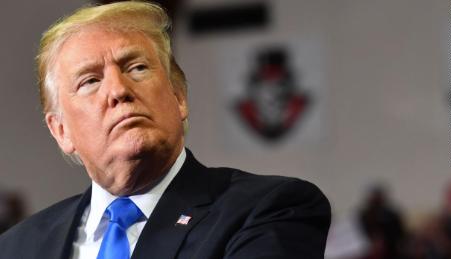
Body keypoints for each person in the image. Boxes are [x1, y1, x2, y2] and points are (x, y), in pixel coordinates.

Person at [0, 2, 331, 258]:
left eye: (137, 67)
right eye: (90, 81)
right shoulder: (17, 247)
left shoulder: (268, 210)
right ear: (60, 131)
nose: (118, 90)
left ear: (179, 97)